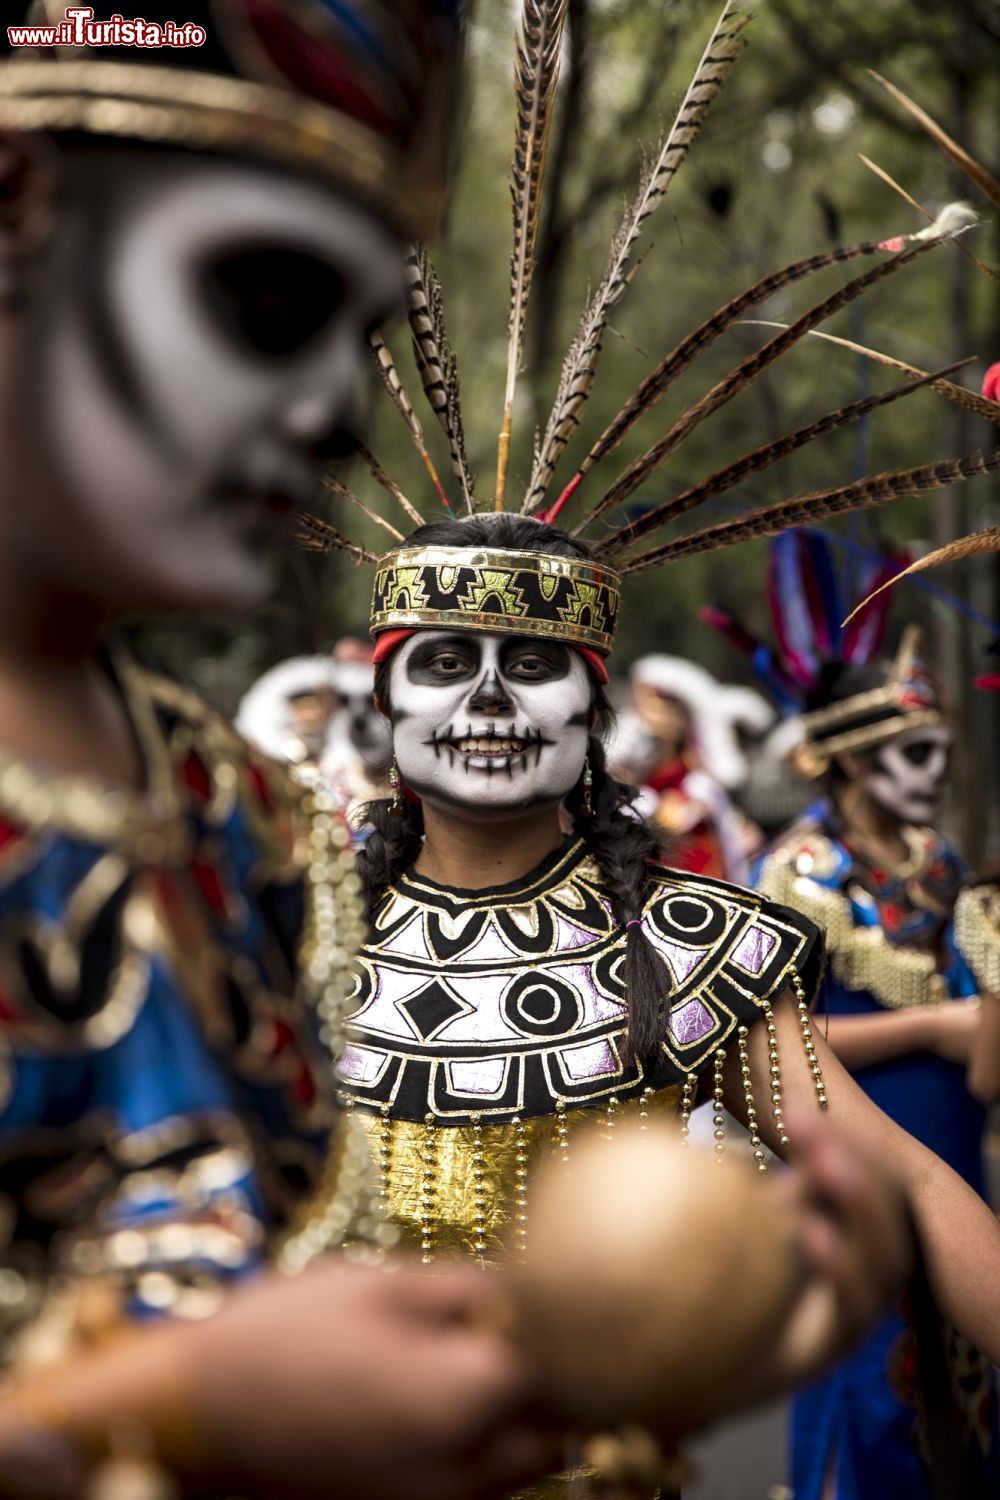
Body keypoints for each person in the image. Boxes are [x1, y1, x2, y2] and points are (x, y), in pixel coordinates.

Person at [0, 3, 565, 1497]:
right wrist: (175, 1410)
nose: (330, 411)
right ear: (10, 208)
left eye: (364, 339)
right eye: (262, 296)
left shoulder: (242, 815)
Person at [754, 627, 1000, 1499]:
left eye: (940, 750)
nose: (934, 769)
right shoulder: (798, 874)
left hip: (956, 1140)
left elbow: (986, 1062)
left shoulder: (946, 870)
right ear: (853, 762)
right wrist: (937, 1025)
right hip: (852, 1145)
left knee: (963, 1384)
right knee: (870, 1382)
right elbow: (773, 1045)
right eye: (912, 752)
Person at [608, 653, 769, 882]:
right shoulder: (629, 788)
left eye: (658, 707)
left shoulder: (702, 790)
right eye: (641, 705)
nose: (645, 716)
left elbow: (730, 863)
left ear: (681, 718)